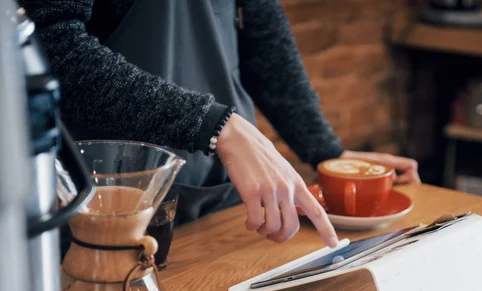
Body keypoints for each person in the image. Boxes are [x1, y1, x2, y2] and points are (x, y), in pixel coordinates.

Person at [21, 0, 420, 249]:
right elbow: (50, 47)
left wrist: (328, 153)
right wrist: (218, 127)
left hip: (222, 202)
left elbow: (263, 39)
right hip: (105, 206)